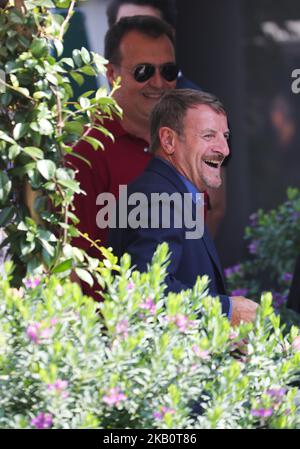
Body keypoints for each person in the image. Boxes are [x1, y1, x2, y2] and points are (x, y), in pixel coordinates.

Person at [108, 89, 258, 326]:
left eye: (225, 136)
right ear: (168, 140)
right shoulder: (156, 196)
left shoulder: (171, 192)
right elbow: (147, 293)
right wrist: (227, 310)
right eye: (209, 136)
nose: (224, 149)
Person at [66, 16, 178, 297]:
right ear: (112, 75)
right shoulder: (86, 156)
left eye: (168, 70)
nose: (158, 82)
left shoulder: (184, 141)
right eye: (142, 71)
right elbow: (80, 270)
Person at [106, 0, 228, 237]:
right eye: (128, 28)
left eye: (149, 27)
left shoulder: (201, 110)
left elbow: (214, 207)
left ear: (168, 34)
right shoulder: (89, 108)